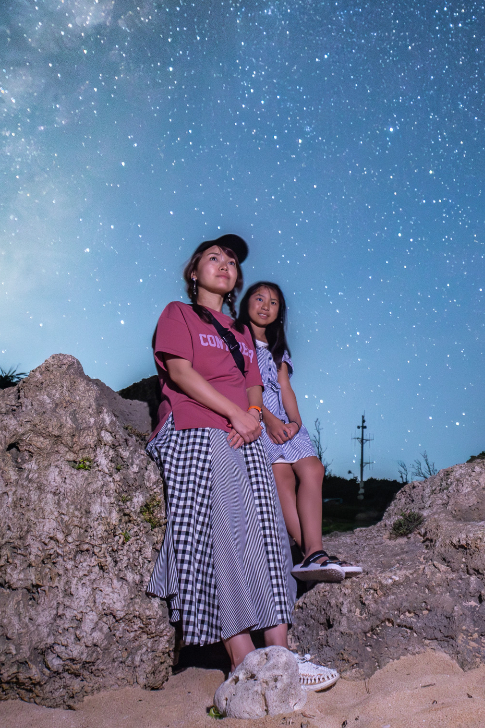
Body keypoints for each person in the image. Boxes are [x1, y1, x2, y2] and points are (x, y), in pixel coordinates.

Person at [145, 235, 337, 691]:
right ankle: (243, 659)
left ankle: (283, 653)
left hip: (241, 430)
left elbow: (254, 385)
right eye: (214, 258)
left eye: (231, 261)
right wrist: (233, 414)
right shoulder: (179, 314)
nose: (225, 265)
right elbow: (180, 371)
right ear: (195, 273)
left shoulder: (238, 331)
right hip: (194, 428)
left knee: (269, 534)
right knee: (223, 527)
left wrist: (250, 416)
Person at [237, 280, 361, 583]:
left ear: (280, 312)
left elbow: (286, 388)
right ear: (246, 303)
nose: (266, 306)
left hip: (284, 419)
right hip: (257, 417)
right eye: (259, 298)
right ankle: (311, 555)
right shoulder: (237, 340)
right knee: (283, 476)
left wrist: (294, 421)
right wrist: (268, 421)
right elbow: (240, 386)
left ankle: (313, 550)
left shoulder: (278, 347)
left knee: (313, 469)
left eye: (274, 302)